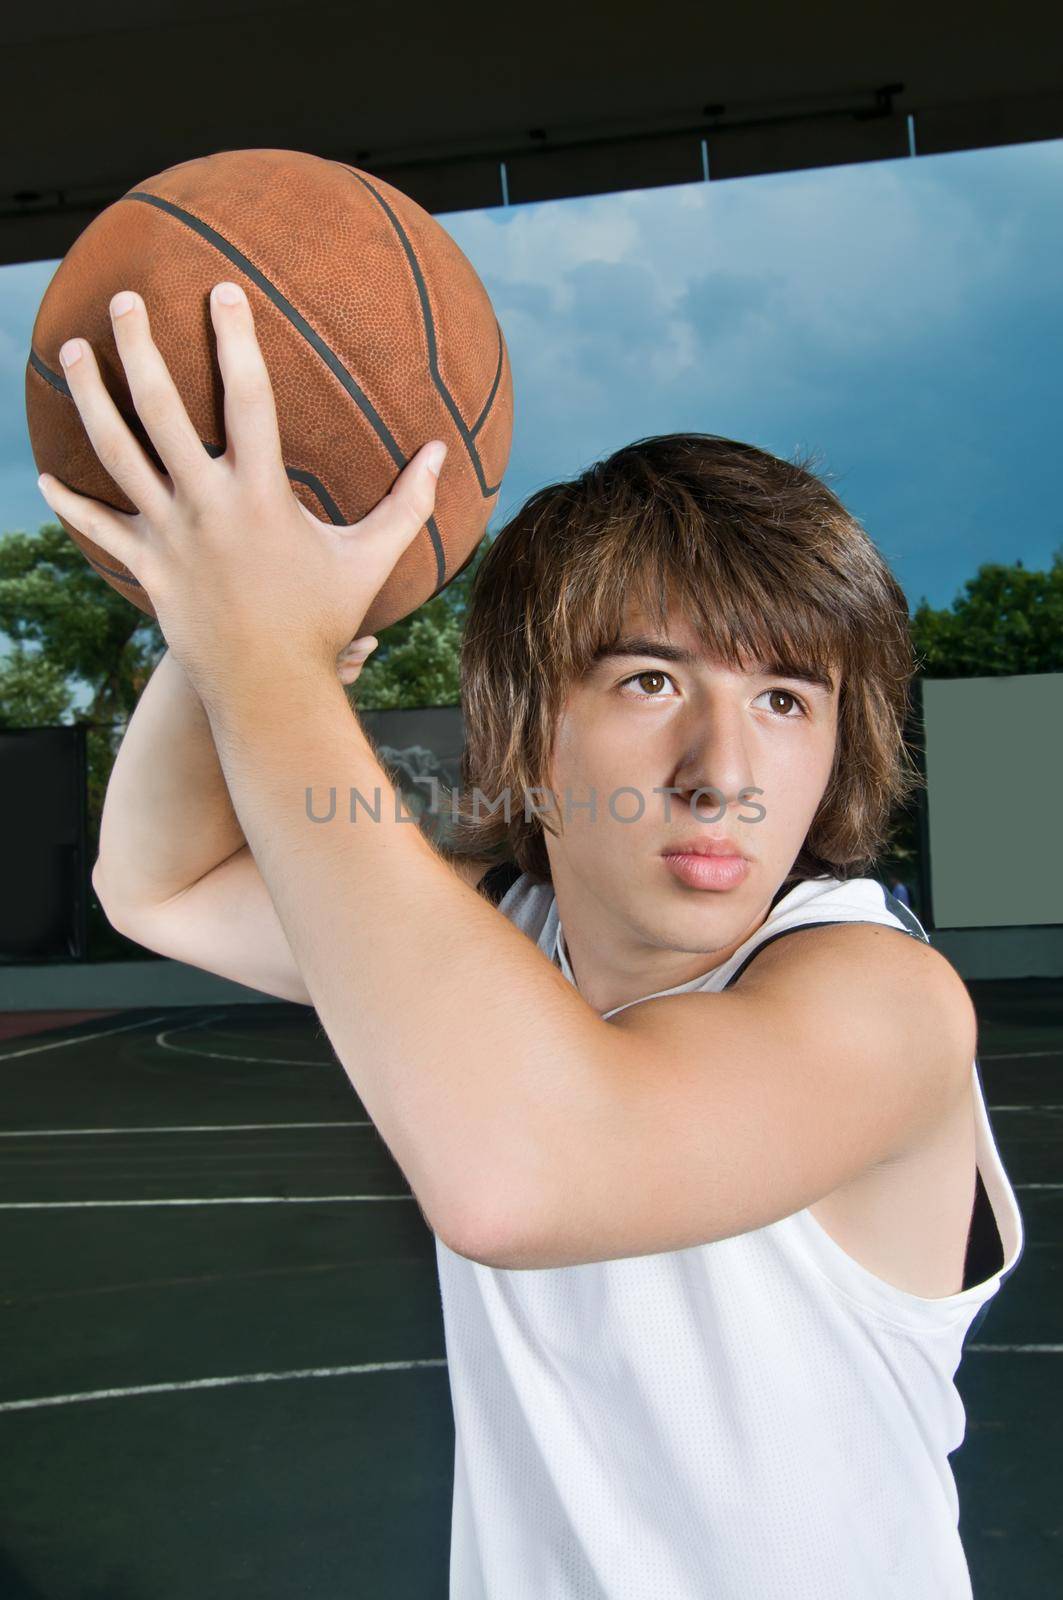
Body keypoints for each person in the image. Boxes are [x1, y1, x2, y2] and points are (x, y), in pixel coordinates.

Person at [433, 432, 1024, 1598]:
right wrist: (227, 611)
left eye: (784, 699)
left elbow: (517, 1180)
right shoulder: (504, 940)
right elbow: (160, 877)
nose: (724, 769)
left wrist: (263, 637)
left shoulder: (881, 1002)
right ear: (523, 723)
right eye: (649, 681)